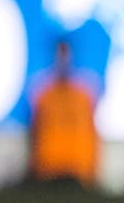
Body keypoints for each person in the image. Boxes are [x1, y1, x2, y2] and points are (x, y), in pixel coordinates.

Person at [27, 39, 100, 187]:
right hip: (49, 167)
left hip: (78, 167)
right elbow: (34, 131)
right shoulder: (43, 92)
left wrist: (92, 168)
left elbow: (92, 132)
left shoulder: (84, 93)